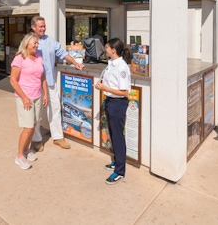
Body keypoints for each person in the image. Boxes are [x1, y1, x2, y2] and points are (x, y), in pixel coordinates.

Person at [30, 16, 84, 151]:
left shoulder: (50, 41)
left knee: (55, 108)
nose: (43, 28)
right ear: (33, 27)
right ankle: (36, 139)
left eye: (44, 26)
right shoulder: (29, 42)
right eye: (40, 26)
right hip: (35, 83)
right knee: (36, 112)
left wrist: (76, 63)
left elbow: (62, 53)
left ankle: (58, 137)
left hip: (50, 81)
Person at [94, 38, 132, 184]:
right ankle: (117, 162)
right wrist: (102, 84)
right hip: (110, 101)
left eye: (107, 47)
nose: (105, 49)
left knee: (117, 136)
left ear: (113, 50)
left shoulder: (121, 67)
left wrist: (105, 88)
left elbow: (124, 92)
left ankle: (120, 171)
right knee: (113, 133)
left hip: (118, 104)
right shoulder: (111, 64)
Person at [10, 33, 48, 170]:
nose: (37, 46)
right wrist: (24, 97)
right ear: (27, 44)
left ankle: (26, 150)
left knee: (34, 124)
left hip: (37, 96)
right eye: (34, 43)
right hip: (24, 98)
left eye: (37, 43)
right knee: (28, 128)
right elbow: (13, 81)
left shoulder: (38, 57)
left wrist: (45, 94)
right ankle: (19, 156)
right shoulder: (19, 59)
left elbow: (42, 77)